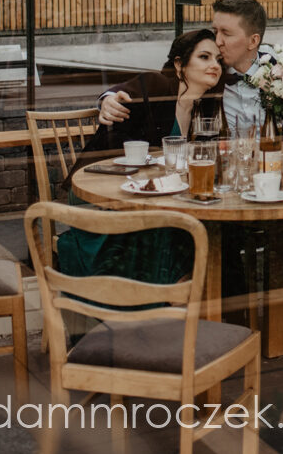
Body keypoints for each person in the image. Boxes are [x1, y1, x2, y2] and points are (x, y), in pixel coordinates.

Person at [57, 29, 226, 283]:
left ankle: (174, 298)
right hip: (105, 189)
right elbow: (120, 94)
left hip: (156, 195)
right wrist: (107, 99)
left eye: (218, 60)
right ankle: (149, 301)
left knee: (196, 228)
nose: (214, 65)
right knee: (169, 227)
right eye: (204, 57)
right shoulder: (156, 86)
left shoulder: (206, 107)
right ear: (179, 64)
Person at [100, 0, 269, 134]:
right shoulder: (208, 83)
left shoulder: (280, 73)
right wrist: (108, 98)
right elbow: (140, 87)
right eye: (216, 31)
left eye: (226, 33)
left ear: (253, 41)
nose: (218, 41)